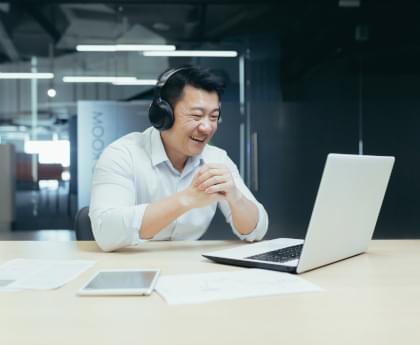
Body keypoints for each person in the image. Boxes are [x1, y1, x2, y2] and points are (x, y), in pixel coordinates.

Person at [89, 65, 268, 251]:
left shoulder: (217, 158)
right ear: (164, 114)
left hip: (188, 269)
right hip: (132, 268)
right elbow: (105, 233)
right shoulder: (122, 154)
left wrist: (236, 197)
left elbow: (257, 230)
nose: (207, 127)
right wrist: (186, 199)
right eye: (196, 115)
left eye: (214, 117)